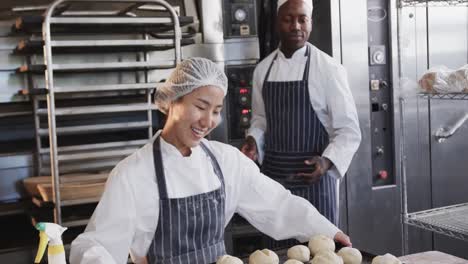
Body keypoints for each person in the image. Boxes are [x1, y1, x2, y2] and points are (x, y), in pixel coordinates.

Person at [70, 57, 351, 264]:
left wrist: (327, 231)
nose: (208, 121)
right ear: (172, 102)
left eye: (216, 110)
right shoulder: (133, 174)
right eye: (200, 106)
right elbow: (97, 246)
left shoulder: (225, 161)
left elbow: (278, 204)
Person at [241, 0, 361, 225]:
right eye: (288, 19)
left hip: (315, 182)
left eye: (302, 19)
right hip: (274, 183)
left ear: (310, 23)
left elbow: (348, 130)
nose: (296, 26)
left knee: (320, 254)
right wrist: (253, 140)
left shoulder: (328, 69)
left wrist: (327, 161)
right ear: (278, 23)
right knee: (276, 257)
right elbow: (260, 119)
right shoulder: (263, 70)